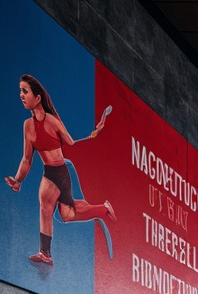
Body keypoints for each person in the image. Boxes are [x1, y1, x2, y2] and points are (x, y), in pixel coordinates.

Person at [6, 74, 117, 267]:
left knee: (50, 209)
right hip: (49, 172)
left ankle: (46, 253)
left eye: (25, 91)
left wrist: (96, 132)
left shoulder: (52, 121)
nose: (21, 95)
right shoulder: (27, 126)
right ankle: (103, 209)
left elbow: (72, 144)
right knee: (65, 214)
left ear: (38, 97)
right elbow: (26, 159)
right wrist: (18, 180)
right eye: (20, 91)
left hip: (61, 172)